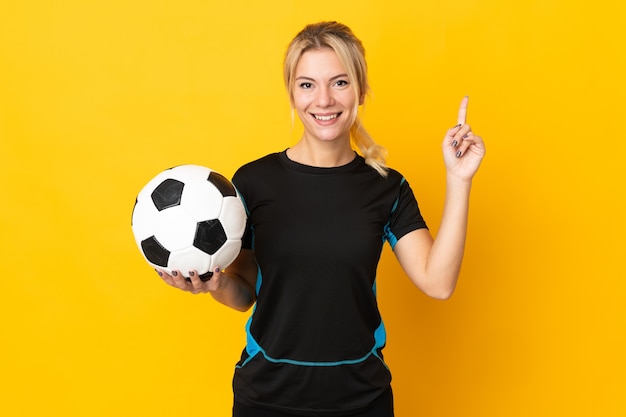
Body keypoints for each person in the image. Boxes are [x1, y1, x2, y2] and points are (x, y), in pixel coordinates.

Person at [158, 21, 485, 417]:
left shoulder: (387, 188)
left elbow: (439, 282)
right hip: (266, 398)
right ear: (292, 95)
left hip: (361, 399)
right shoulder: (252, 182)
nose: (324, 100)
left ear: (361, 90)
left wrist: (459, 179)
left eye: (340, 82)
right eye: (308, 84)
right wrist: (214, 284)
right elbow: (245, 294)